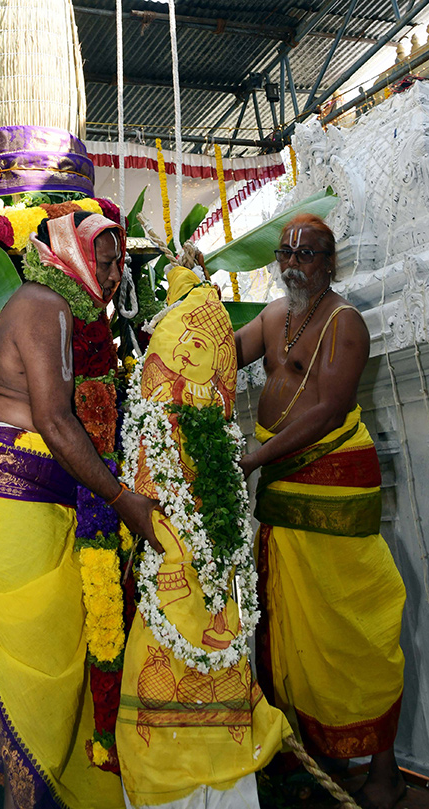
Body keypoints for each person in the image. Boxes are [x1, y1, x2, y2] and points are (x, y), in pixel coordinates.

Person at [0, 210, 161, 809]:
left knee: (39, 665)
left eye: (117, 265)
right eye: (105, 261)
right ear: (69, 253)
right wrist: (125, 501)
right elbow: (57, 425)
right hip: (13, 503)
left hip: (16, 499)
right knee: (41, 673)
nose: (115, 277)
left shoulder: (48, 304)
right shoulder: (44, 308)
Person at [234, 213, 406, 809]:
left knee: (352, 630)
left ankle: (383, 774)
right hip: (284, 489)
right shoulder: (274, 316)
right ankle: (317, 761)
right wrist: (185, 321)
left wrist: (254, 461)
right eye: (285, 253)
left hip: (332, 486)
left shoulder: (344, 322)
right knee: (290, 629)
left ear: (330, 263)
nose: (291, 264)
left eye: (306, 255)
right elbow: (228, 354)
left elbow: (328, 410)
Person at [116, 263, 290, 809]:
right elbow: (145, 503)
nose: (196, 355)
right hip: (171, 586)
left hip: (221, 595)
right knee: (160, 680)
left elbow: (230, 520)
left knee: (228, 688)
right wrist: (174, 554)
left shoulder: (219, 432)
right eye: (186, 342)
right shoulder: (154, 424)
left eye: (207, 348)